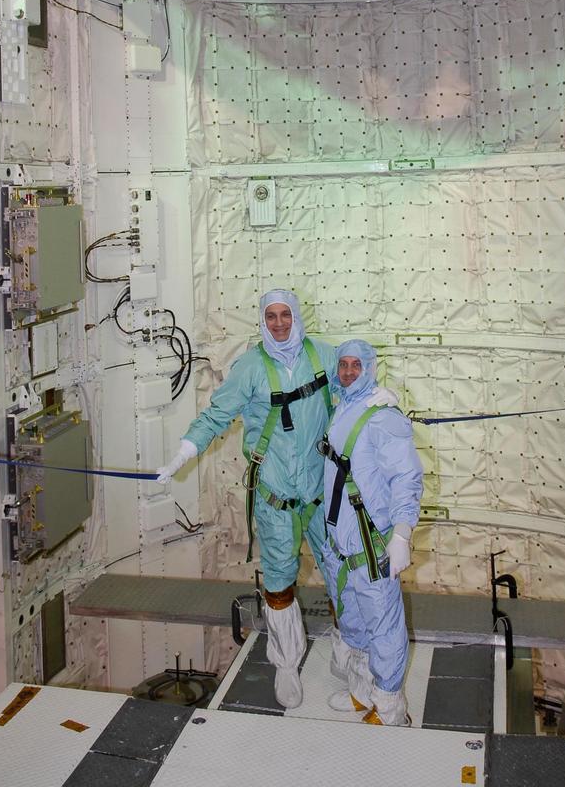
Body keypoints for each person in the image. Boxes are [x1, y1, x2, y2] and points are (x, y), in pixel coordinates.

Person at [157, 290, 396, 709]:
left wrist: (380, 397)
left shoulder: (323, 355)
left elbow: (354, 383)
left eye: (286, 314)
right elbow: (217, 415)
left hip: (324, 495)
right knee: (279, 582)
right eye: (272, 316)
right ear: (263, 320)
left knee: (344, 576)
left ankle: (350, 657)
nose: (280, 323)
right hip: (276, 497)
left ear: (296, 315)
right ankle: (286, 663)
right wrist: (184, 451)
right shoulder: (249, 367)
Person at [320, 339, 423, 726]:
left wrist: (401, 534)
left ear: (370, 368)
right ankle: (363, 694)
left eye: (356, 366)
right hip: (341, 545)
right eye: (343, 364)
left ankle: (391, 709)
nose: (347, 371)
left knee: (383, 627)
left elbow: (407, 479)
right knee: (355, 623)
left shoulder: (383, 417)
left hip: (370, 544)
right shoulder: (345, 406)